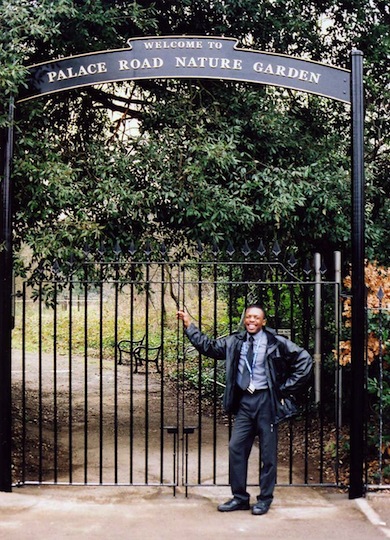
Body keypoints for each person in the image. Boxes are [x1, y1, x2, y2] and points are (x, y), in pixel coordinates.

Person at [177, 304, 312, 516]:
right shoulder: (234, 342)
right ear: (245, 320)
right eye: (249, 317)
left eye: (256, 317)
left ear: (263, 322)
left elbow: (304, 359)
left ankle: (264, 499)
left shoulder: (275, 343)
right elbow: (210, 347)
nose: (251, 320)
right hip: (244, 404)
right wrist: (189, 326)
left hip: (266, 402)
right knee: (236, 448)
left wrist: (284, 389)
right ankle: (239, 498)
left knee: (268, 455)